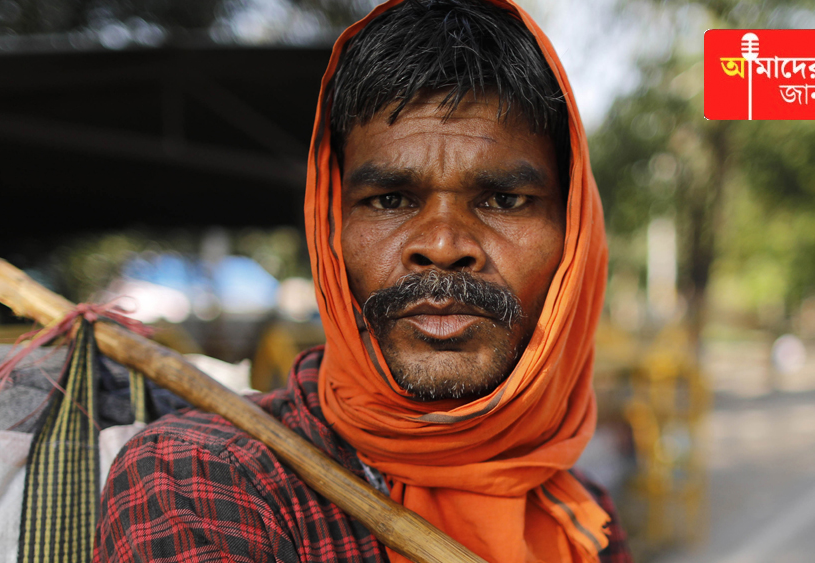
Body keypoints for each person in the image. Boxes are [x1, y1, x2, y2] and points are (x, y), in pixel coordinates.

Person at [95, 1, 631, 562]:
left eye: (504, 200)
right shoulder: (206, 481)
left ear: (575, 238)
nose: (442, 246)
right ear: (332, 231)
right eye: (391, 200)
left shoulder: (579, 513)